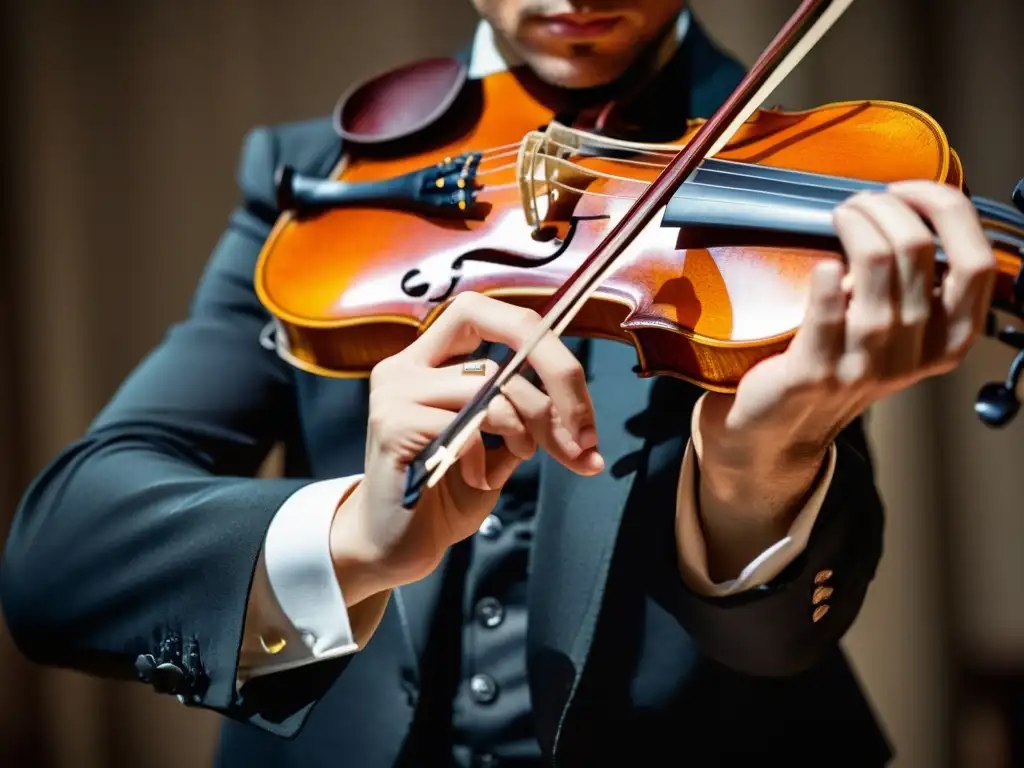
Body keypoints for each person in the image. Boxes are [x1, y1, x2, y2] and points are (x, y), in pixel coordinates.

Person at [0, 1, 997, 766]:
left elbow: (785, 639)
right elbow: (59, 563)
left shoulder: (801, 170)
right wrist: (353, 537)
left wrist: (758, 467)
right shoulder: (325, 183)